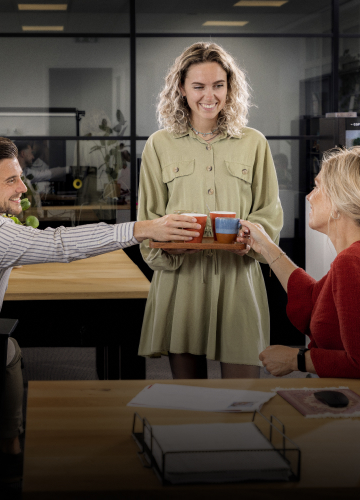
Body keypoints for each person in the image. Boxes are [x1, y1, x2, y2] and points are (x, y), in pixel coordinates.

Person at [0, 136, 201, 483]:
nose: (23, 187)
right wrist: (145, 228)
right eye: (11, 179)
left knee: (10, 349)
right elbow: (59, 244)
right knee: (8, 351)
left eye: (20, 176)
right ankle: (10, 449)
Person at [137, 42, 284, 379]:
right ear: (181, 90)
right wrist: (169, 242)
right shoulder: (159, 144)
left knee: (242, 401)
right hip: (181, 283)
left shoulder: (254, 142)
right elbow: (148, 221)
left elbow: (269, 215)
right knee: (190, 401)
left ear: (230, 88)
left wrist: (249, 235)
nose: (209, 95)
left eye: (218, 85)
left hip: (239, 282)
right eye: (198, 86)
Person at [238, 146, 360, 380]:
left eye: (317, 186)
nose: (309, 196)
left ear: (339, 202)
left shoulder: (353, 262)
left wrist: (295, 359)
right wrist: (265, 246)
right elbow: (315, 302)